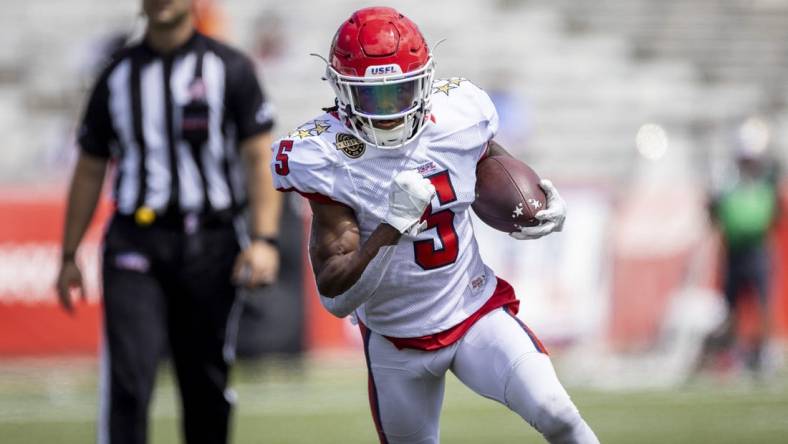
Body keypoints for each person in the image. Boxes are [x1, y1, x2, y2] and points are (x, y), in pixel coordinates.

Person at [272, 7, 598, 444]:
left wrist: (535, 199)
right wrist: (392, 226)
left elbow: (486, 157)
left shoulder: (458, 116)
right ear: (341, 90)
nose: (388, 113)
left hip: (473, 310)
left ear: (425, 83)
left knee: (556, 411)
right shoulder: (326, 154)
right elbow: (337, 297)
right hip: (395, 339)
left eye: (400, 93)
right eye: (373, 98)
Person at [54, 0, 282, 443]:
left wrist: (264, 239)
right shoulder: (116, 75)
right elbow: (89, 166)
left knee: (205, 385)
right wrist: (68, 254)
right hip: (135, 241)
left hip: (211, 242)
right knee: (129, 383)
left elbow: (258, 158)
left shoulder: (229, 67)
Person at [705, 134, 781, 374]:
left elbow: (773, 212)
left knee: (762, 303)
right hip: (735, 250)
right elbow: (714, 212)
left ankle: (764, 352)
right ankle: (734, 354)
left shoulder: (763, 182)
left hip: (757, 249)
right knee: (732, 307)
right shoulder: (729, 183)